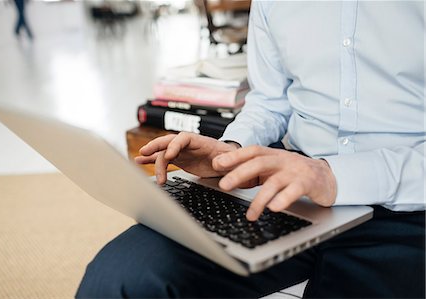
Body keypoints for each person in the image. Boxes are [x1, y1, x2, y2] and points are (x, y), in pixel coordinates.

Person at [76, 1, 425, 298]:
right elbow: (270, 101)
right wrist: (230, 149)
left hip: (410, 204)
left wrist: (332, 176)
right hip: (290, 191)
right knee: (119, 278)